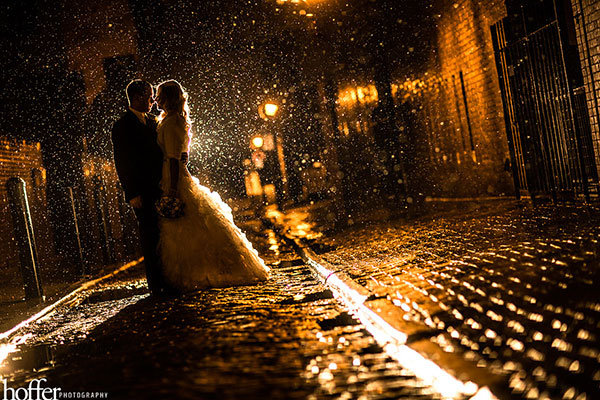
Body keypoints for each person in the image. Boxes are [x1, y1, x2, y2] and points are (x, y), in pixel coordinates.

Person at [155, 80, 269, 291]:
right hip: (180, 174)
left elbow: (172, 158)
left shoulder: (171, 123)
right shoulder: (178, 120)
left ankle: (195, 272)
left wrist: (172, 189)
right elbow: (183, 156)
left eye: (160, 95)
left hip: (174, 178)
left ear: (169, 98)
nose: (156, 99)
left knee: (184, 227)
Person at [111, 79, 172, 296]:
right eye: (148, 97)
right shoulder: (122, 126)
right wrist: (132, 193)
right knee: (149, 234)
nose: (152, 101)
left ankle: (168, 276)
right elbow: (123, 162)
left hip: (160, 185)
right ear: (136, 98)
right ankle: (156, 283)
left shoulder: (153, 121)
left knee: (165, 232)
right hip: (142, 191)